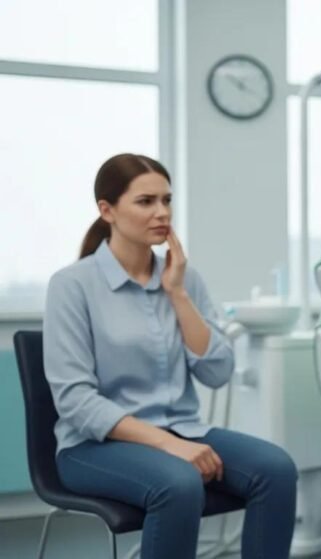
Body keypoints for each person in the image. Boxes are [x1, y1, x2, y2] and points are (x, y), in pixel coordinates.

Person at [44, 153, 297, 559]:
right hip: (93, 447)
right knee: (179, 483)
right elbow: (75, 401)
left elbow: (218, 371)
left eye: (167, 200)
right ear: (106, 210)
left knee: (277, 469)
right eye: (146, 202)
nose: (162, 213)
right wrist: (165, 444)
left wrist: (177, 293)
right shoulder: (72, 285)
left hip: (183, 430)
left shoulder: (183, 278)